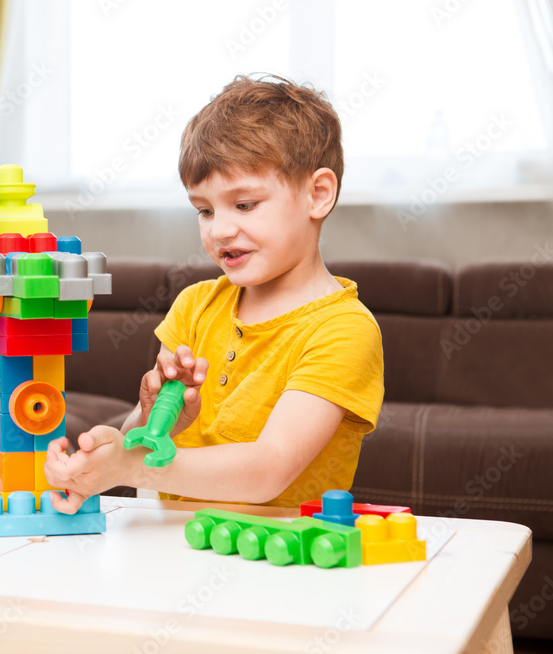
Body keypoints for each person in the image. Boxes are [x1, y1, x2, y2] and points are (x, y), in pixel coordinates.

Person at [45, 75, 384, 515]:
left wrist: (130, 469)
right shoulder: (194, 305)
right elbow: (142, 439)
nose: (219, 229)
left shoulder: (344, 330)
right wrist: (120, 441)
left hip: (285, 562)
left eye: (244, 205)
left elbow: (269, 468)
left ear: (317, 194)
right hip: (178, 549)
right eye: (204, 210)